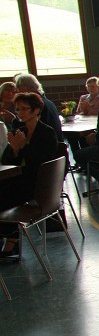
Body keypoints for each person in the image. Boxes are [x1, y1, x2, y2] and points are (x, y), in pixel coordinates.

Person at [1, 92, 59, 256]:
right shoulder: (19, 130)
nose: (20, 113)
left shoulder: (46, 132)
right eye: (18, 109)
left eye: (25, 109)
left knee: (3, 196)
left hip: (39, 184)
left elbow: (41, 165)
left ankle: (12, 238)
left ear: (36, 110)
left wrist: (23, 148)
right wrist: (14, 149)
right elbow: (7, 161)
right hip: (22, 178)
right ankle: (9, 235)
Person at [14, 73, 62, 140]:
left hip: (47, 143)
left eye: (18, 87)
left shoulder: (37, 104)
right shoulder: (48, 102)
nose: (17, 90)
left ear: (26, 87)